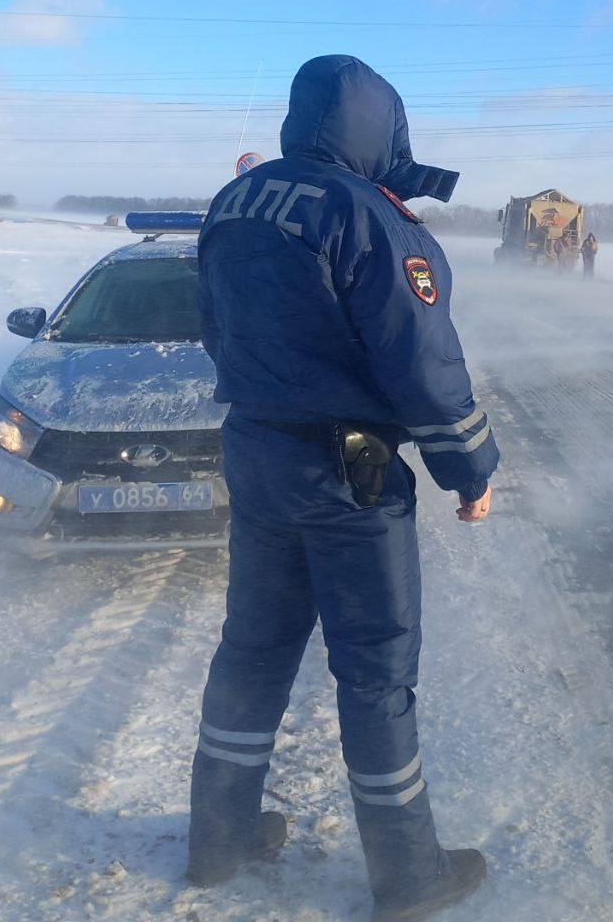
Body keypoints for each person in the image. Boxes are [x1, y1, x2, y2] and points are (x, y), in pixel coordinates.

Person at [188, 55, 500, 921]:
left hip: (254, 455)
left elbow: (213, 326)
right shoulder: (367, 216)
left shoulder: (232, 204)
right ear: (378, 128)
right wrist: (469, 469)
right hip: (346, 474)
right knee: (374, 675)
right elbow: (424, 366)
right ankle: (408, 876)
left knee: (251, 652)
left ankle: (217, 841)